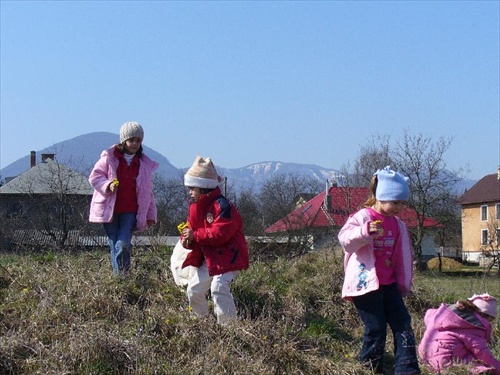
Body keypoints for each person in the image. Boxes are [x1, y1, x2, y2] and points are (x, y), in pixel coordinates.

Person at [338, 166, 420, 374]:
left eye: (402, 203)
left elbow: (402, 257)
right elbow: (345, 240)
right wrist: (364, 232)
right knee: (376, 328)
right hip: (365, 285)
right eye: (395, 202)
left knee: (403, 325)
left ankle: (407, 369)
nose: (399, 207)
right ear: (380, 196)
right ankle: (370, 367)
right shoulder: (363, 217)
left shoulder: (398, 225)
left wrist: (403, 284)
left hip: (389, 284)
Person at [180, 155, 249, 324]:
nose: (190, 192)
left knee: (218, 287)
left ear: (203, 188)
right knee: (194, 290)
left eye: (192, 188)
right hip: (209, 258)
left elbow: (220, 233)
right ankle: (201, 323)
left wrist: (195, 235)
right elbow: (190, 230)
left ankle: (230, 329)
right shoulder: (195, 209)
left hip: (229, 257)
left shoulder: (223, 207)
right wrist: (186, 240)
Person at [89, 122, 158, 275]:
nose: (134, 144)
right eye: (131, 140)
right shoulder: (109, 159)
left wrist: (151, 215)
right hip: (110, 210)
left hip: (131, 211)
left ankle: (121, 276)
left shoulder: (143, 165)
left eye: (138, 141)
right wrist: (107, 185)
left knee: (123, 243)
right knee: (115, 243)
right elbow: (95, 177)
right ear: (124, 140)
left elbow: (148, 193)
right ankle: (122, 276)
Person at [418, 293, 500, 374]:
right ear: (483, 315)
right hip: (446, 362)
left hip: (426, 357)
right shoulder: (473, 327)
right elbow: (483, 354)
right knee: (480, 367)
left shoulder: (443, 315)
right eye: (490, 320)